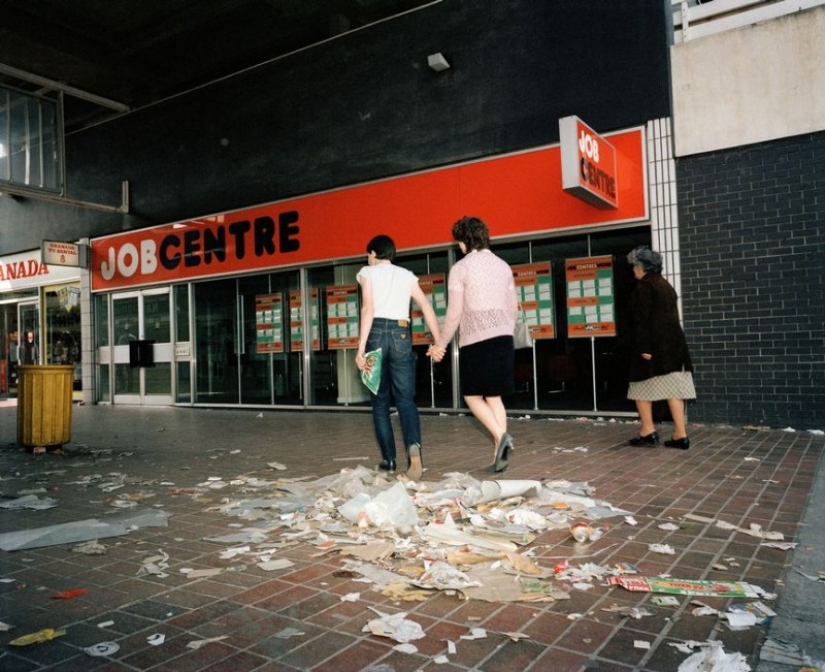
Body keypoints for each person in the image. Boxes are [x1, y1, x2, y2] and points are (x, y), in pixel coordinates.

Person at [428, 216, 518, 472]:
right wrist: (503, 330)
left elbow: (454, 313)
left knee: (472, 395)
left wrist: (441, 343)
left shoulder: (461, 269)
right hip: (503, 338)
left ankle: (501, 437)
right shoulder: (503, 266)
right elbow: (513, 307)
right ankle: (498, 455)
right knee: (494, 396)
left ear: (464, 242)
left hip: (477, 340)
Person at [355, 235, 442, 480]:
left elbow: (368, 309)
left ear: (373, 253)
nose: (367, 259)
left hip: (376, 334)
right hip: (402, 332)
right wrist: (438, 341)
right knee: (406, 399)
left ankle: (389, 459)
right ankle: (413, 449)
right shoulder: (406, 275)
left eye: (368, 255)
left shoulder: (366, 273)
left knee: (380, 403)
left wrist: (361, 349)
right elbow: (426, 305)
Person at [626, 246, 696, 449]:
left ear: (642, 267)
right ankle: (680, 435)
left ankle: (648, 430)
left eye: (634, 267)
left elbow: (643, 320)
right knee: (675, 390)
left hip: (654, 347)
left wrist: (644, 348)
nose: (633, 271)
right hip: (674, 346)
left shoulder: (644, 287)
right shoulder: (665, 285)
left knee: (639, 388)